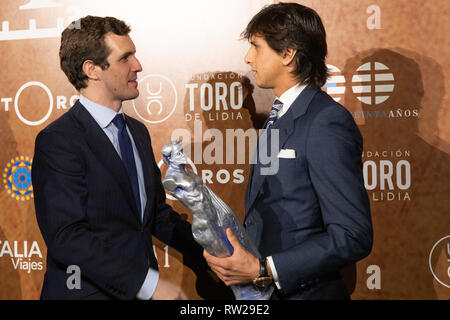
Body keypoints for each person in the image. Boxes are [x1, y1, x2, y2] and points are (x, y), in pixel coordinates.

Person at [204, 3, 373, 300]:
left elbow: (352, 235)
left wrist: (265, 269)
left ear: (288, 53)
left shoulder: (325, 121)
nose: (248, 58)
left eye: (256, 47)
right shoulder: (277, 116)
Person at [31, 15, 204, 300]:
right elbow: (68, 238)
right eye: (126, 58)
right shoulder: (59, 141)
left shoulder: (137, 132)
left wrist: (208, 250)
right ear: (92, 70)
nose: (138, 66)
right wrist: (147, 285)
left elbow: (155, 215)